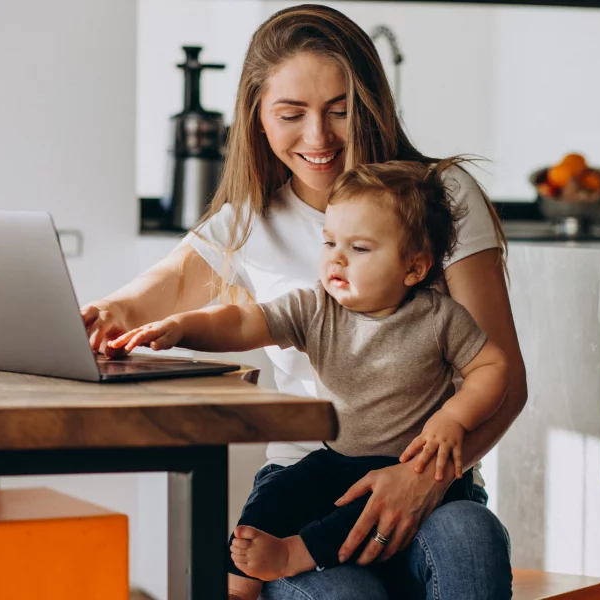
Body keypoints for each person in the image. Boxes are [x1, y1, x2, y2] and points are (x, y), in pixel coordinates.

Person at [82, 5, 526, 599]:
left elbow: (503, 379)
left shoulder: (439, 201)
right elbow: (150, 296)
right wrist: (107, 314)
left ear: (371, 105)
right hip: (308, 484)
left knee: (470, 538)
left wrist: (417, 479)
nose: (319, 139)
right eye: (291, 114)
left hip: (433, 483)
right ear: (258, 118)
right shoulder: (247, 222)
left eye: (340, 111)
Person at [110, 159, 509, 600]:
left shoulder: (439, 317)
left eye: (359, 248)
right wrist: (183, 327)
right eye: (329, 242)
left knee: (358, 513)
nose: (336, 258)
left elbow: (493, 368)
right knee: (278, 491)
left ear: (413, 268)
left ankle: (294, 555)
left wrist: (453, 417)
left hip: (414, 470)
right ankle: (234, 582)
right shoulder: (316, 308)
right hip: (338, 460)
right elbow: (243, 322)